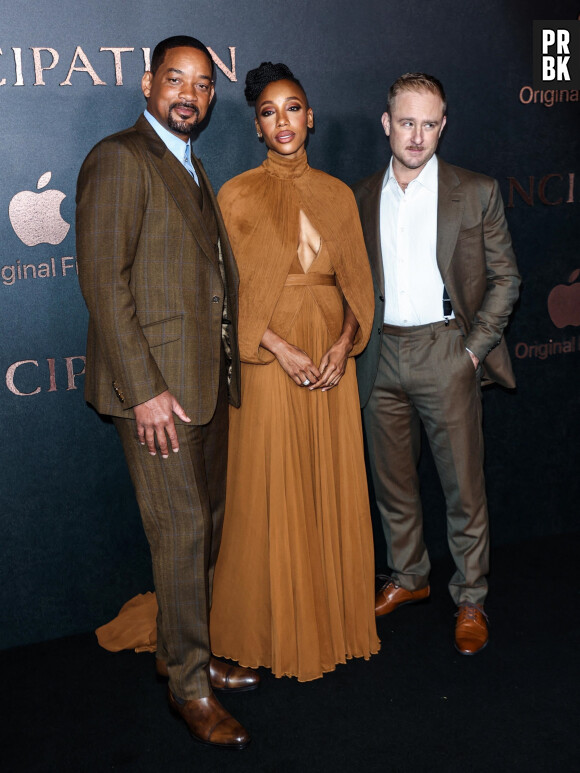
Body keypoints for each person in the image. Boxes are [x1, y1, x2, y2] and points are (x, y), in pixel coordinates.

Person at [76, 35, 258, 750]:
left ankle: (186, 648)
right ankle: (188, 685)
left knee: (203, 526)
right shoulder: (120, 158)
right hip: (158, 394)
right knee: (182, 533)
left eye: (204, 84)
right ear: (147, 83)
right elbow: (103, 282)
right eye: (176, 80)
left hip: (203, 385)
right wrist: (144, 390)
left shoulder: (188, 162)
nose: (190, 93)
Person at [209, 62, 380, 681]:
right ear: (257, 126)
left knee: (328, 482)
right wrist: (280, 348)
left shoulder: (338, 194)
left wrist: (343, 345)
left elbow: (359, 287)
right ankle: (274, 625)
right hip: (269, 361)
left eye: (293, 108)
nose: (282, 121)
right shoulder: (236, 195)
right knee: (270, 491)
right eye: (268, 111)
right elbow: (226, 298)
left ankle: (332, 617)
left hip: (332, 364)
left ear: (311, 116)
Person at [353, 73, 520, 655]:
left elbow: (507, 279)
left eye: (429, 123)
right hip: (381, 355)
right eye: (406, 122)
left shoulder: (475, 191)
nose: (417, 135)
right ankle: (409, 578)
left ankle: (471, 595)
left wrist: (472, 351)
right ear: (386, 124)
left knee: (462, 487)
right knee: (393, 482)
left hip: (446, 351)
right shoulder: (362, 194)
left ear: (442, 125)